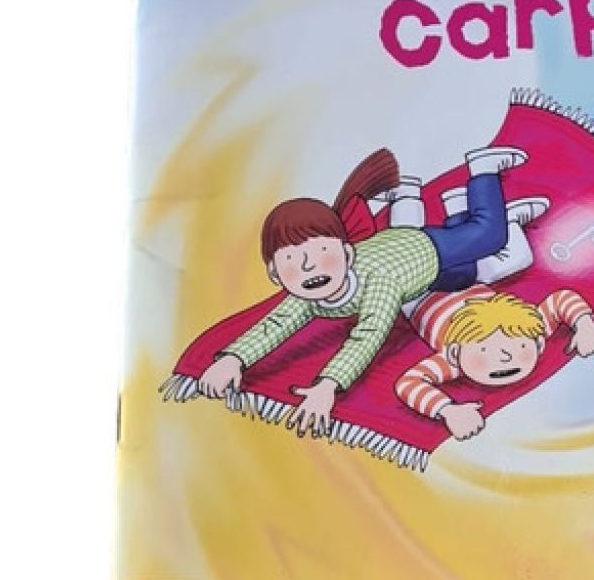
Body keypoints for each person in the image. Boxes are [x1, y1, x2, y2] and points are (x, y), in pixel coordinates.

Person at [197, 145, 540, 435]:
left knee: (490, 235)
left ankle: (482, 171)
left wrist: (327, 385)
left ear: (347, 254)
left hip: (425, 251)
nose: (310, 267)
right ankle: (459, 206)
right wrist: (233, 359)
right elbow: (275, 325)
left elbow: (368, 334)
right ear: (275, 274)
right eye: (293, 260)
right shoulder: (304, 297)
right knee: (474, 271)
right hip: (419, 271)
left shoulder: (380, 285)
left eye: (322, 252)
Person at [395, 289, 594, 440]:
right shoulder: (455, 360)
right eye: (484, 350)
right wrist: (448, 410)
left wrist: (585, 324)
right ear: (454, 353)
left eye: (519, 346)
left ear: (539, 343)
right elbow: (409, 382)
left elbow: (562, 299)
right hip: (416, 293)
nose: (505, 358)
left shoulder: (530, 329)